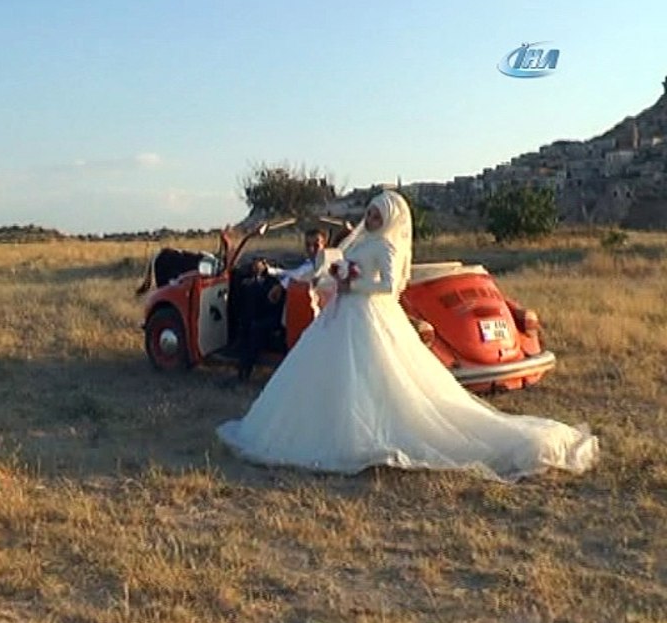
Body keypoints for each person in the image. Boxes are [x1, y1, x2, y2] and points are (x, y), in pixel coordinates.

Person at [216, 190, 598, 481]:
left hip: (368, 312)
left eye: (378, 213)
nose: (371, 217)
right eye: (370, 211)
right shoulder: (364, 240)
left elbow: (388, 287)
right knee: (333, 371)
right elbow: (336, 264)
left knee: (379, 373)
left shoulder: (386, 246)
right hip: (343, 312)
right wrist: (338, 274)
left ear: (392, 216)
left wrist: (352, 282)